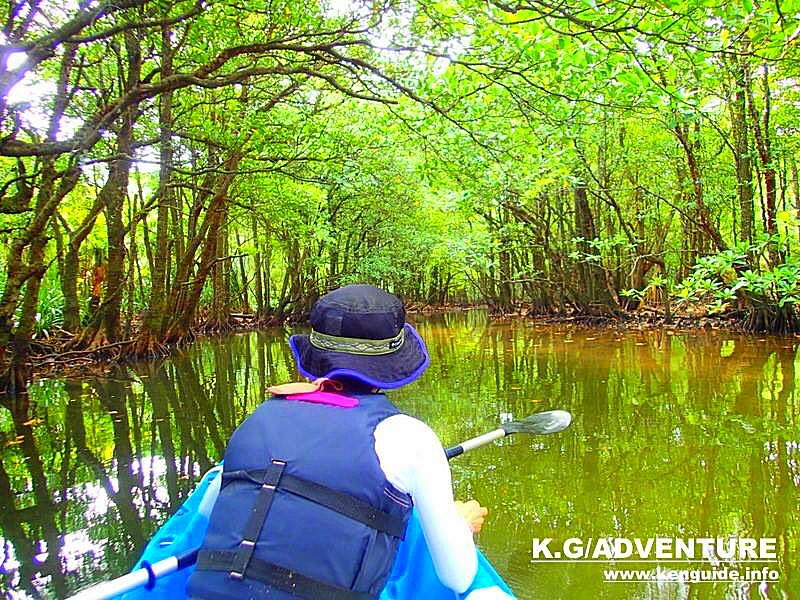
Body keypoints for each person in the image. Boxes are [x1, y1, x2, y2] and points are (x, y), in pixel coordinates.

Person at [187, 284, 494, 599]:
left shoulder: (259, 416)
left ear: (319, 357)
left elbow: (211, 511)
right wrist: (461, 526)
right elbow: (457, 577)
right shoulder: (411, 437)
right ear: (393, 361)